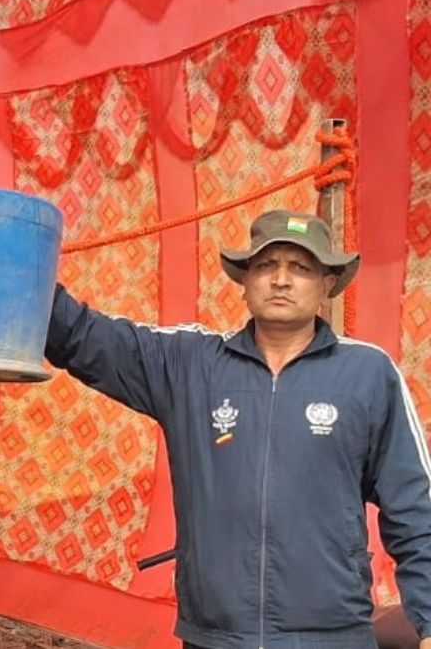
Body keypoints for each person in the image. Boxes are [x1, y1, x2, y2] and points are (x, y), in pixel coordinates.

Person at [44, 208, 431, 649]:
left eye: (301, 268)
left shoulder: (367, 373)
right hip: (216, 638)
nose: (281, 279)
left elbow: (415, 508)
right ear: (245, 282)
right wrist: (18, 263)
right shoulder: (190, 364)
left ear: (327, 285)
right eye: (266, 265)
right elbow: (81, 337)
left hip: (332, 636)